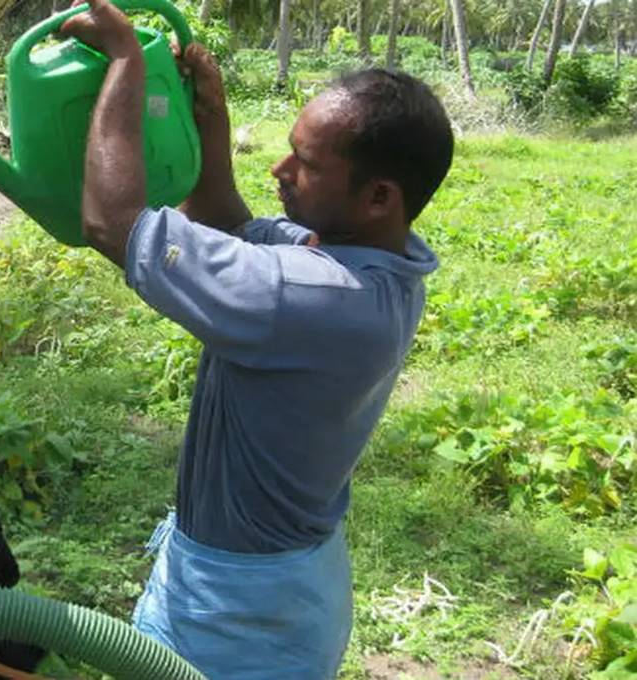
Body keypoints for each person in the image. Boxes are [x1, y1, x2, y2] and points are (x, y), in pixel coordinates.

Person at [58, 0, 453, 677]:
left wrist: (125, 63)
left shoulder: (307, 294)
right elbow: (228, 223)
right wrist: (212, 119)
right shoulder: (372, 262)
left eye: (304, 162)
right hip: (282, 580)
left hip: (238, 610)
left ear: (379, 196)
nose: (279, 170)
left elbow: (112, 222)